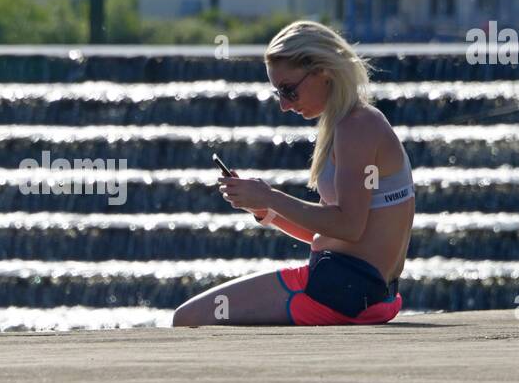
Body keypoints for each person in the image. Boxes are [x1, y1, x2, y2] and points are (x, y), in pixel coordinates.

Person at [172, 20, 415, 326]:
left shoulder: (357, 125)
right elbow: (332, 233)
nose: (285, 105)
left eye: (288, 90)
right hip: (357, 291)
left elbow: (349, 226)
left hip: (342, 291)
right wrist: (267, 210)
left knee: (188, 318)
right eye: (278, 94)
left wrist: (270, 195)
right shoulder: (349, 123)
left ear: (322, 70)